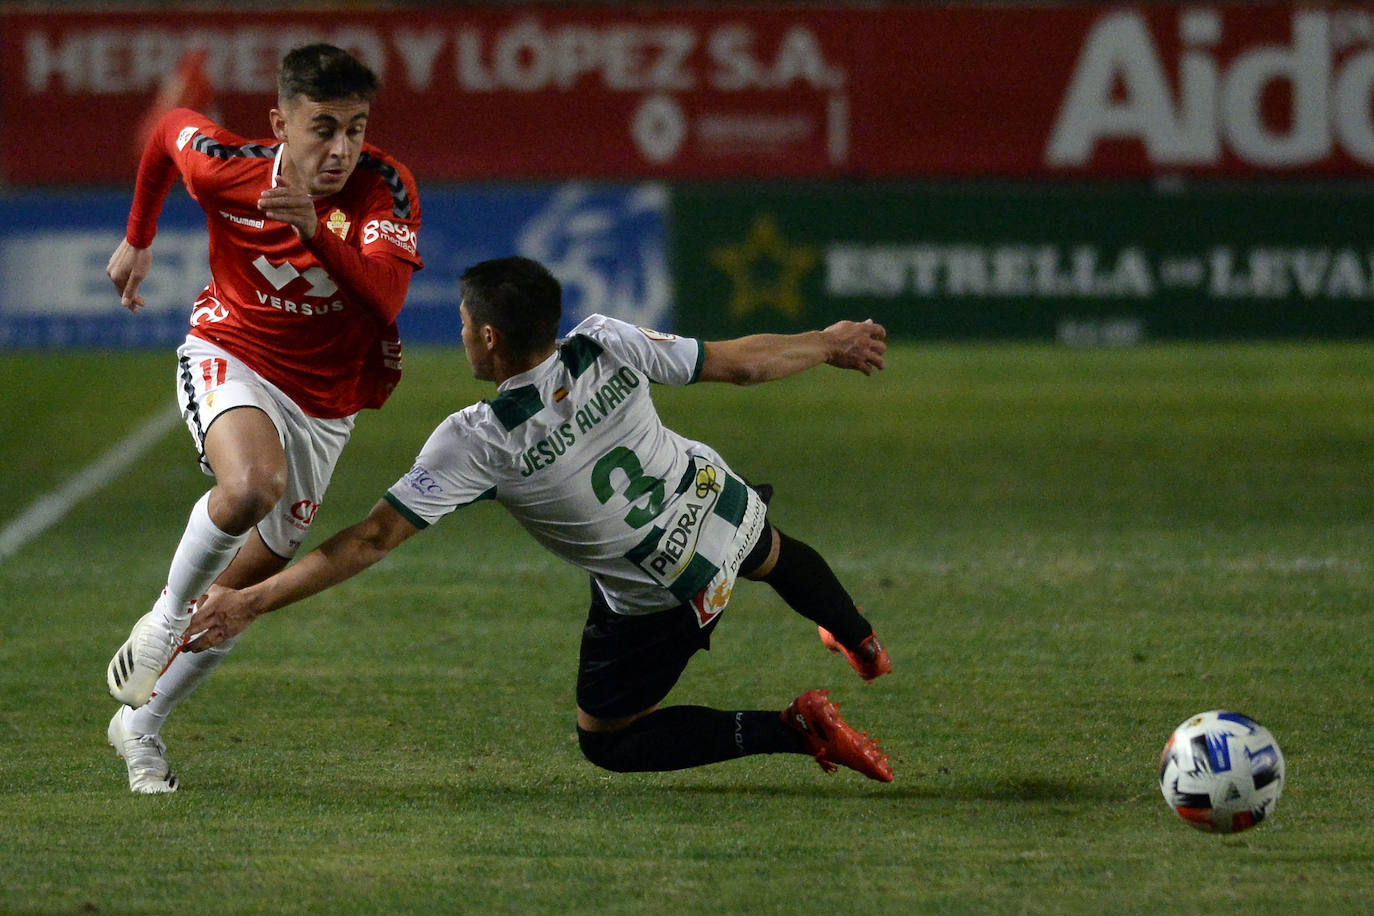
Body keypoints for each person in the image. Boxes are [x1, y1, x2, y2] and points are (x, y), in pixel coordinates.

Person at [191, 256, 895, 783]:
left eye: (466, 326)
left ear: (489, 337)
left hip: (659, 590)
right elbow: (740, 366)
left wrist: (251, 600)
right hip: (714, 501)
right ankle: (863, 644)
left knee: (608, 741)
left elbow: (372, 538)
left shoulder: (480, 437)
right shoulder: (605, 340)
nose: (462, 335)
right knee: (772, 552)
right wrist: (829, 342)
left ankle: (796, 728)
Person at [104, 43, 424, 794]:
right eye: (322, 128)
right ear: (280, 122)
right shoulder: (226, 165)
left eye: (355, 127)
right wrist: (138, 237)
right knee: (252, 487)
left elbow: (384, 300)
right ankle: (163, 614)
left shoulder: (386, 188)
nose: (341, 148)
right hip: (231, 348)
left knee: (237, 603)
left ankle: (139, 729)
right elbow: (163, 135)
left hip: (325, 403)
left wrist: (315, 229)